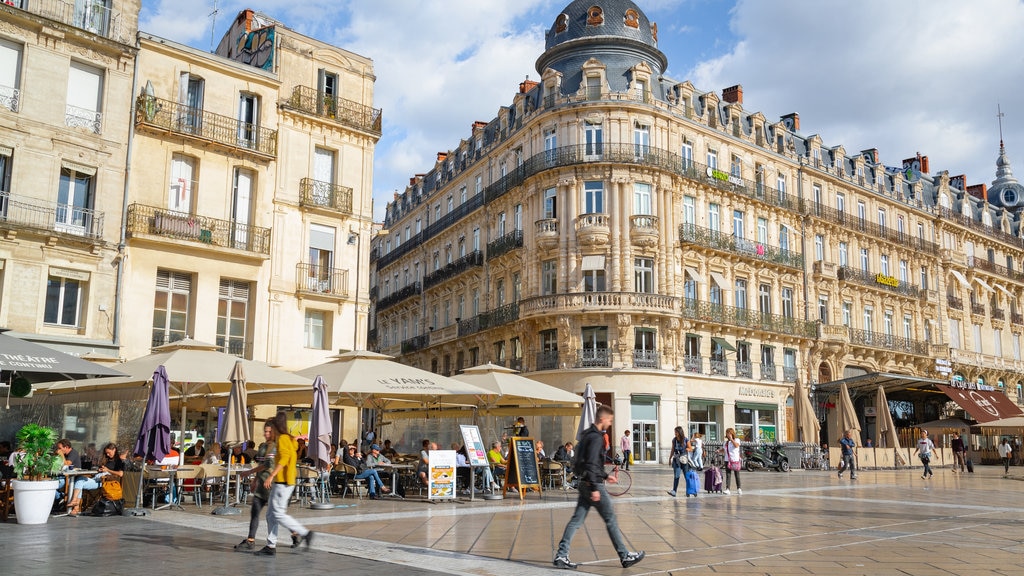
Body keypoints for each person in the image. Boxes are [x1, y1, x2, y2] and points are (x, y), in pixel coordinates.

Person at [553, 405, 644, 570]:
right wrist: (595, 485)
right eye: (609, 420)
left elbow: (582, 462)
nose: (609, 423)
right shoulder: (596, 437)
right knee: (610, 520)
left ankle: (561, 554)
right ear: (602, 419)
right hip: (592, 485)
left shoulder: (585, 435)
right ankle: (625, 556)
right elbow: (591, 462)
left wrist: (604, 475)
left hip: (583, 482)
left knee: (576, 520)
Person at [236, 420, 301, 552]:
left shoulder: (278, 446)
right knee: (256, 511)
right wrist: (255, 479)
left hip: (273, 485)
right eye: (265, 431)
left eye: (269, 432)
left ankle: (295, 534)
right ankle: (251, 540)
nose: (266, 434)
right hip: (262, 484)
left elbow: (269, 466)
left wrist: (253, 473)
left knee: (276, 515)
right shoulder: (263, 446)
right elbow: (262, 465)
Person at [258, 411, 313, 556]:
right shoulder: (289, 439)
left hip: (283, 481)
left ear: (276, 426)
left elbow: (284, 458)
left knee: (278, 514)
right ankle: (270, 545)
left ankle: (304, 533)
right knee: (271, 515)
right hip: (285, 481)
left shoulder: (282, 439)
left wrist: (271, 475)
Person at [68, 443, 123, 517]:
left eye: (109, 453)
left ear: (114, 450)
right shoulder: (106, 459)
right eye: (106, 453)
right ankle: (76, 504)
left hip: (104, 482)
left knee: (79, 481)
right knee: (79, 480)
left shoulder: (118, 461)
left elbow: (120, 474)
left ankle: (76, 506)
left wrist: (107, 470)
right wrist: (100, 469)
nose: (107, 454)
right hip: (96, 478)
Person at [667, 426, 688, 497]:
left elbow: (690, 448)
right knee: (676, 475)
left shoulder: (685, 439)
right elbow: (672, 450)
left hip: (684, 460)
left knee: (686, 476)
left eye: (676, 432)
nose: (675, 433)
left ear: (679, 432)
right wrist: (670, 458)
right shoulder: (674, 440)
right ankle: (674, 491)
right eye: (675, 432)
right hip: (676, 460)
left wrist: (688, 449)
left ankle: (688, 491)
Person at [722, 427, 742, 495]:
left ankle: (739, 488)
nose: (728, 435)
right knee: (728, 474)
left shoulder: (737, 440)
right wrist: (719, 451)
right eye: (727, 433)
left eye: (729, 433)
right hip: (727, 460)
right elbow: (724, 450)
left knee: (737, 474)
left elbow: (736, 446)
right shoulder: (726, 442)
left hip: (735, 460)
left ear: (732, 433)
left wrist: (732, 440)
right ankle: (727, 489)